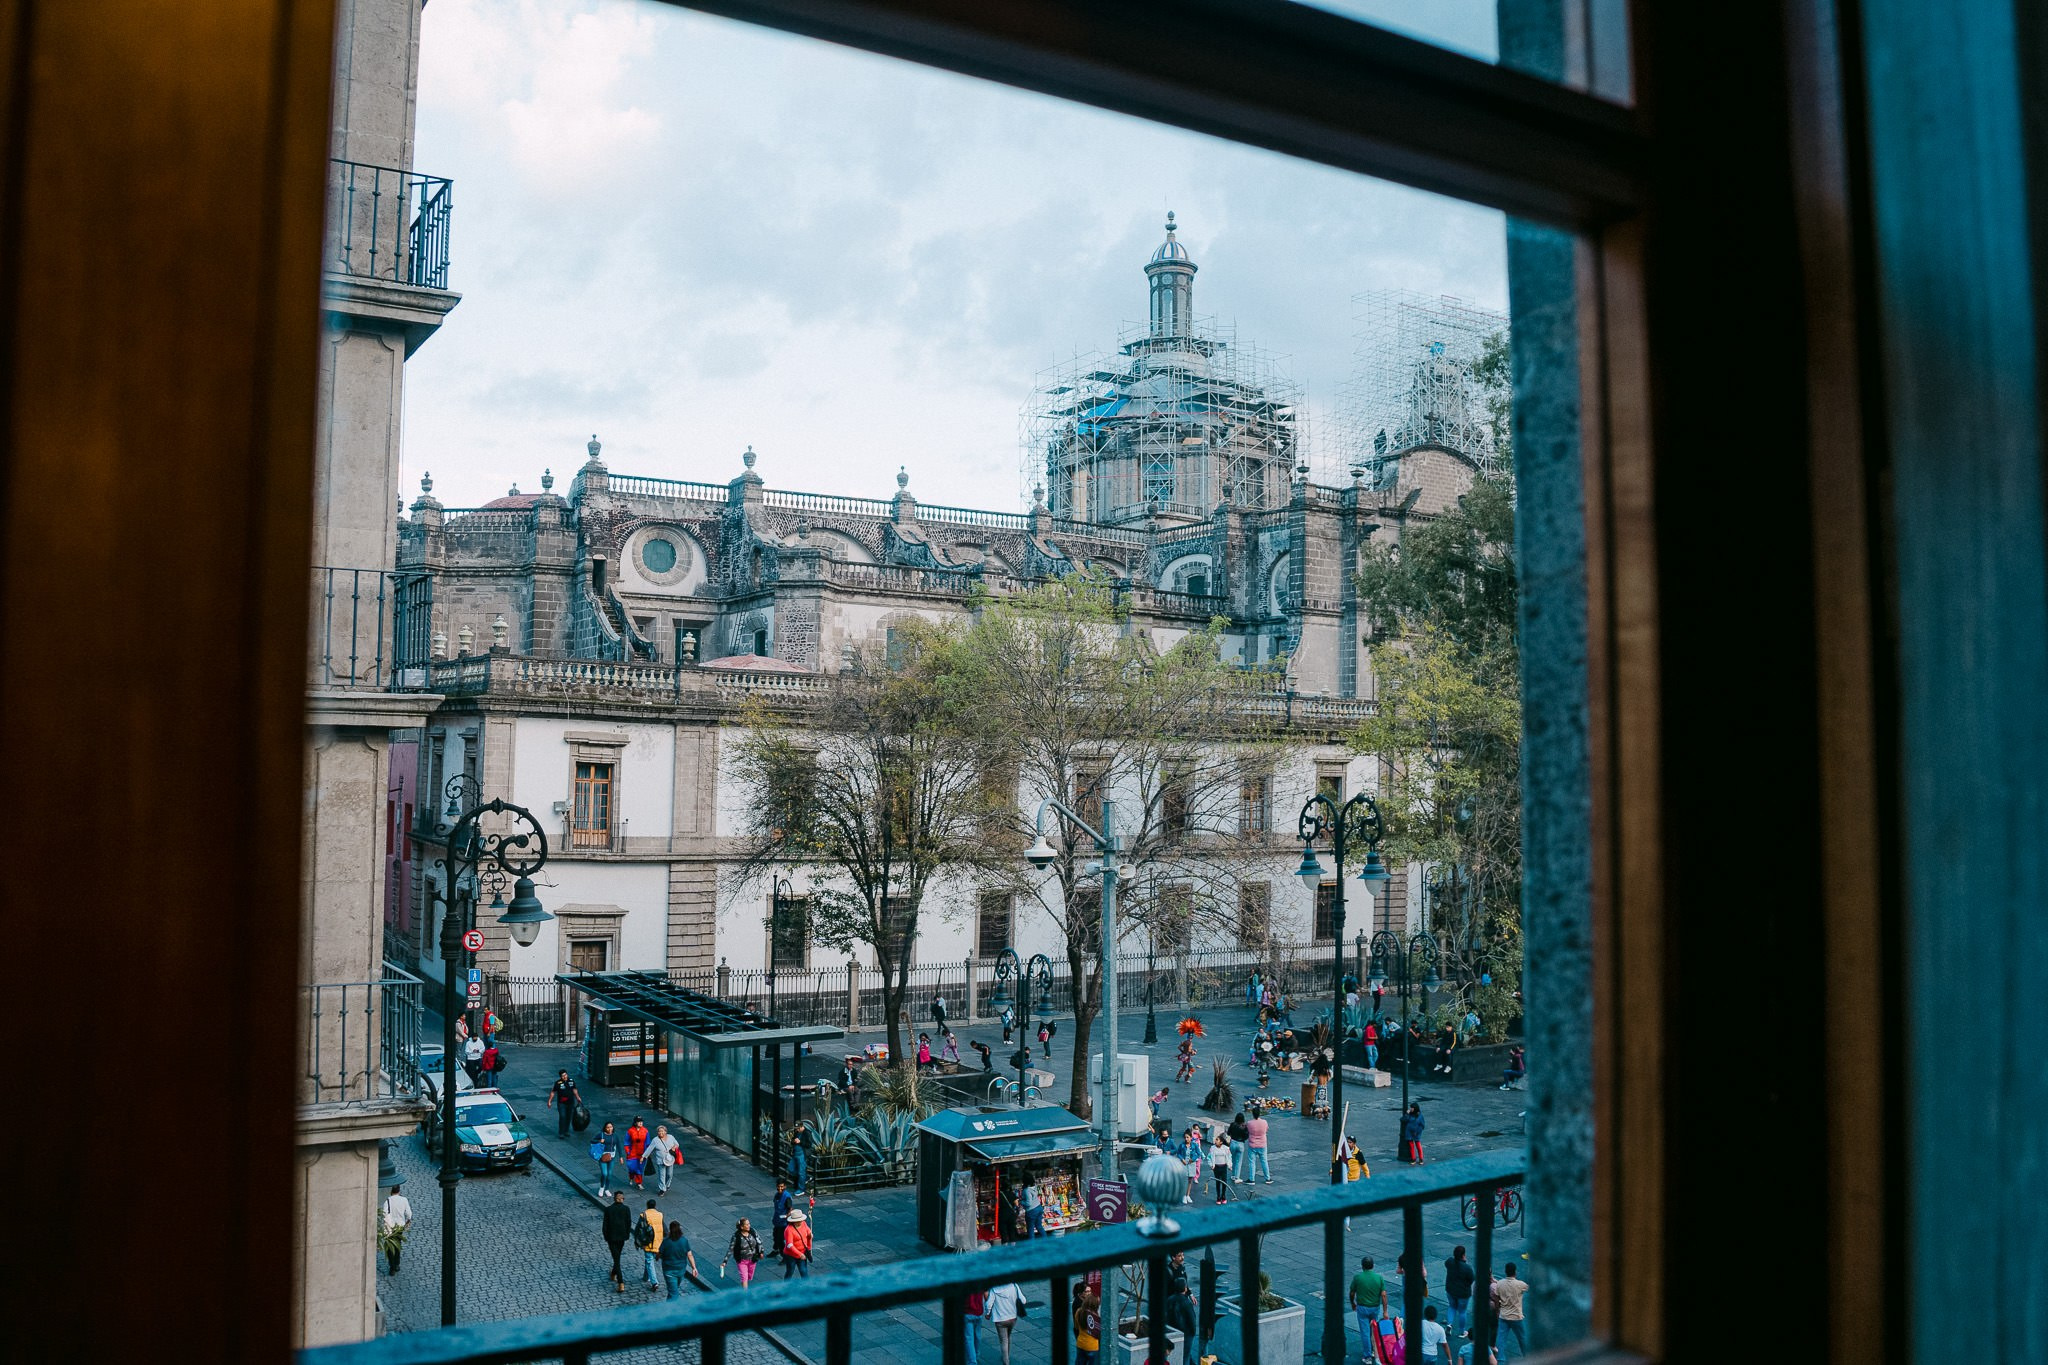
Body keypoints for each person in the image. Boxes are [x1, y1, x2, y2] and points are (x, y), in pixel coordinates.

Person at [1349, 1254, 1388, 1358]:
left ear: (1362, 1266)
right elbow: (1384, 1295)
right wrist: (1385, 1311)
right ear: (1373, 1266)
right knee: (1373, 1330)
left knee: (1365, 1332)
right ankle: (1374, 1351)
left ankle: (1367, 1356)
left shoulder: (1357, 1278)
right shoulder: (1379, 1278)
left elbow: (1352, 1293)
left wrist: (1353, 1303)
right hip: (1375, 1308)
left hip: (1362, 1308)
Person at [1491, 1264, 1528, 1358]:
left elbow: (1496, 1298)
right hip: (1516, 1317)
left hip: (1503, 1316)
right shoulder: (1520, 1284)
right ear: (1515, 1272)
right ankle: (1527, 1357)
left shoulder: (1500, 1284)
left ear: (1505, 1272)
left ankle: (1500, 1360)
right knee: (1522, 1338)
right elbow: (1528, 1287)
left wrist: (1497, 1311)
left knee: (1501, 1340)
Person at [984, 1281, 1024, 1365]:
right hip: (1012, 1318)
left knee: (1003, 1340)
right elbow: (1023, 1301)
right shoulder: (1014, 1286)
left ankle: (1006, 1361)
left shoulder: (994, 1289)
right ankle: (1006, 1355)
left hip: (1000, 1319)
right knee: (1008, 1337)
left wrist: (988, 1314)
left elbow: (989, 1304)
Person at [658, 1216, 696, 1299]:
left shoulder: (666, 1242)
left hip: (669, 1271)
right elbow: (689, 1255)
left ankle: (670, 1306)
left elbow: (659, 1254)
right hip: (681, 1270)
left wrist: (659, 1256)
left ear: (670, 1229)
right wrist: (694, 1268)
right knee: (673, 1291)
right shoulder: (684, 1241)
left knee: (673, 1292)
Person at [601, 1191, 632, 1293]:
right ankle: (614, 1275)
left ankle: (620, 1282)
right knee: (617, 1257)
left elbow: (605, 1225)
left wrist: (606, 1237)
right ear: (622, 1199)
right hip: (621, 1237)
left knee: (616, 1258)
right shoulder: (626, 1209)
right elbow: (628, 1223)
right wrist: (627, 1235)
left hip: (611, 1238)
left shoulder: (608, 1209)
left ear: (614, 1199)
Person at [722, 1216, 764, 1288]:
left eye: (749, 1224)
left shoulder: (753, 1231)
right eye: (747, 1224)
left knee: (749, 1277)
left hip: (753, 1259)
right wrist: (725, 1261)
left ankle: (744, 1285)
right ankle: (745, 1293)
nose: (749, 1225)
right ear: (742, 1227)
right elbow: (731, 1249)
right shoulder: (736, 1236)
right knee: (744, 1278)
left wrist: (761, 1252)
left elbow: (759, 1241)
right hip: (742, 1261)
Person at [634, 1199, 666, 1291]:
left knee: (649, 1261)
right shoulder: (660, 1215)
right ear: (655, 1206)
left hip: (647, 1242)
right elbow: (665, 1229)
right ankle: (645, 1277)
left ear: (647, 1206)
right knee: (649, 1261)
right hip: (658, 1242)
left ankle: (654, 1282)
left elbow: (638, 1229)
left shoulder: (644, 1215)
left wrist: (637, 1242)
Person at [1445, 1245, 1476, 1338]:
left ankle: (1449, 1324)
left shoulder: (1450, 1261)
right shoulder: (1467, 1268)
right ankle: (1462, 1331)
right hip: (1463, 1293)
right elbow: (1472, 1279)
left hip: (1450, 1290)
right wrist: (1465, 1262)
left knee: (1452, 1307)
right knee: (1462, 1311)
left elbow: (1446, 1264)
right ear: (1463, 1255)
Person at [547, 1069, 583, 1138]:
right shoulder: (558, 1083)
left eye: (565, 1075)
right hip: (561, 1103)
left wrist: (578, 1097)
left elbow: (574, 1090)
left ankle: (566, 1131)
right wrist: (549, 1101)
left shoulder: (571, 1081)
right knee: (562, 1116)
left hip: (570, 1103)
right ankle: (561, 1132)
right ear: (560, 1077)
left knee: (568, 1117)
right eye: (563, 1076)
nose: (565, 1077)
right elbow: (553, 1092)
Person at [1073, 1283, 1103, 1365]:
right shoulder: (1095, 1317)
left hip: (1081, 1343)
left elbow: (1076, 1327)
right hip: (1092, 1346)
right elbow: (1099, 1334)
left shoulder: (1078, 1311)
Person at [781, 1207, 812, 1279]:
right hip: (791, 1255)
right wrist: (799, 1254)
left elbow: (808, 1231)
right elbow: (789, 1245)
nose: (800, 1222)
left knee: (804, 1271)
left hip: (802, 1252)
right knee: (790, 1271)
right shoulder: (789, 1230)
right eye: (798, 1221)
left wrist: (810, 1234)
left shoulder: (803, 1223)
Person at [1245, 1105, 1272, 1183]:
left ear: (1253, 1114)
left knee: (1252, 1162)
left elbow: (1247, 1131)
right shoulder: (1264, 1122)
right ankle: (1268, 1178)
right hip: (1262, 1144)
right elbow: (1266, 1130)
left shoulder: (1249, 1123)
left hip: (1252, 1144)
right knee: (1264, 1161)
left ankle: (1251, 1179)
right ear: (1259, 1113)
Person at [651, 1123, 681, 1194]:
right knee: (662, 1175)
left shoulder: (671, 1137)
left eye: (662, 1131)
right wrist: (643, 1156)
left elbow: (677, 1144)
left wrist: (673, 1147)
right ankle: (662, 1189)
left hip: (669, 1159)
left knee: (669, 1174)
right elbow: (650, 1148)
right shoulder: (655, 1140)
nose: (660, 1132)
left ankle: (667, 1185)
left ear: (665, 1132)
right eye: (659, 1131)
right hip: (660, 1160)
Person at [624, 1115, 651, 1191]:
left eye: (641, 1121)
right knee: (632, 1168)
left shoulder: (645, 1131)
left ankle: (639, 1183)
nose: (641, 1123)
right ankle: (631, 1177)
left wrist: (647, 1153)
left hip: (642, 1154)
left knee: (639, 1168)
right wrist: (628, 1151)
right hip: (632, 1153)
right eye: (639, 1122)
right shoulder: (630, 1131)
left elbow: (648, 1143)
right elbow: (626, 1142)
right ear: (635, 1123)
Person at [595, 1121, 622, 1198]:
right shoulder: (601, 1134)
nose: (610, 1129)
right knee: (604, 1173)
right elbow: (592, 1140)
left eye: (611, 1127)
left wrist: (621, 1157)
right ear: (605, 1128)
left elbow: (619, 1146)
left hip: (611, 1157)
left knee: (609, 1175)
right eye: (608, 1127)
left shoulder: (615, 1136)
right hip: (602, 1157)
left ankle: (607, 1189)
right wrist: (599, 1141)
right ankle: (601, 1188)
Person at [771, 1178, 793, 1260]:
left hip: (783, 1222)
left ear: (785, 1187)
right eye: (778, 1186)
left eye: (782, 1186)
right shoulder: (777, 1195)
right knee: (775, 1235)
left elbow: (790, 1209)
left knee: (780, 1239)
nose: (780, 1188)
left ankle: (785, 1256)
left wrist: (787, 1215)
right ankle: (775, 1250)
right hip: (777, 1220)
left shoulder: (787, 1197)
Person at [963, 1286, 986, 1365]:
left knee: (969, 1338)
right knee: (977, 1335)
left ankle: (972, 1361)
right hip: (978, 1312)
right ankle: (976, 1354)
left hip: (967, 1312)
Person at [1209, 1128, 1233, 1203]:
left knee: (1224, 1182)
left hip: (1223, 1167)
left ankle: (1223, 1195)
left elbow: (1229, 1157)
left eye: (1217, 1140)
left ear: (1221, 1142)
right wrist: (1211, 1165)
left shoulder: (1226, 1149)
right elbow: (1209, 1157)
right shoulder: (1212, 1148)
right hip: (1216, 1167)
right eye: (1216, 1139)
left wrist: (1229, 1165)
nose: (1215, 1141)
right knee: (1218, 1182)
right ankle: (1218, 1196)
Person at [1226, 1109, 1250, 1182]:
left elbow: (1228, 1133)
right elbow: (1246, 1136)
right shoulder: (1244, 1126)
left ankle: (1233, 1175)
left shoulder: (1232, 1124)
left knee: (1233, 1160)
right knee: (1239, 1161)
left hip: (1233, 1142)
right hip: (1240, 1143)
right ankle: (1237, 1177)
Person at [789, 1121, 810, 1191]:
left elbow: (809, 1145)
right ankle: (805, 1178)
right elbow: (792, 1141)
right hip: (795, 1154)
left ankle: (801, 1188)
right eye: (796, 1128)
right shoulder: (797, 1132)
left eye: (798, 1128)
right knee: (791, 1168)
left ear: (802, 1127)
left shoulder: (807, 1133)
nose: (797, 1130)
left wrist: (800, 1142)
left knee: (801, 1172)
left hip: (802, 1155)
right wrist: (794, 1141)